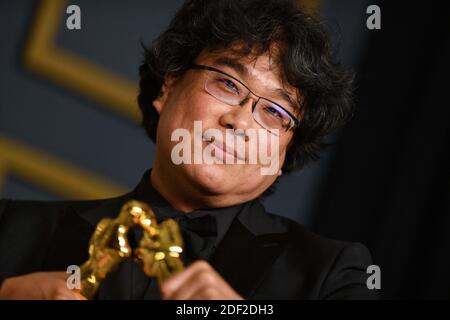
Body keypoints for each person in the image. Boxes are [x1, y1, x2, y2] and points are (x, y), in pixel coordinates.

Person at [0, 0, 378, 300]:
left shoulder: (334, 275)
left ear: (284, 157)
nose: (241, 122)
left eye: (275, 112)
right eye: (229, 84)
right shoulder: (13, 228)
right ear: (168, 86)